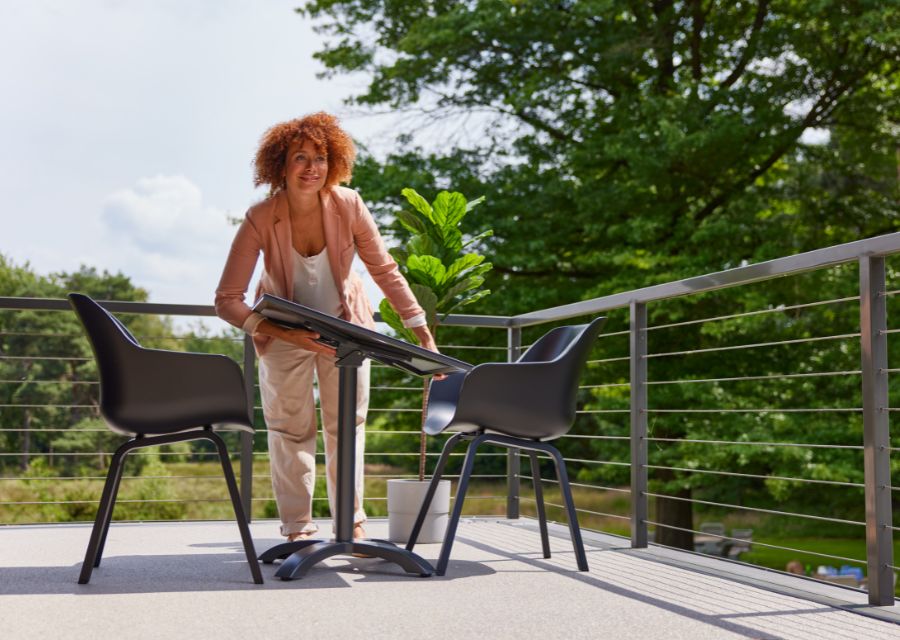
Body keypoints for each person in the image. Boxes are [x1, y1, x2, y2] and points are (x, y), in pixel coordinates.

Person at [215, 112, 437, 543]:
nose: (311, 167)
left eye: (320, 157)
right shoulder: (261, 217)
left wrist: (419, 328)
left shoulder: (349, 204)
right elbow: (227, 300)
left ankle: (349, 525)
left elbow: (384, 269)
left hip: (345, 330)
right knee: (289, 429)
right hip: (282, 331)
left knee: (347, 427)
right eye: (300, 157)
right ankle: (298, 529)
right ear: (280, 164)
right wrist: (283, 334)